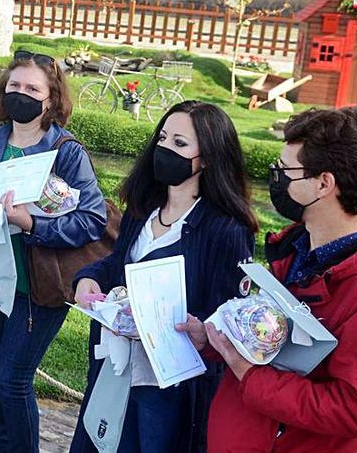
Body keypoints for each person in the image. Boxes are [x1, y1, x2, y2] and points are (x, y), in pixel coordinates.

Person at [201, 108, 357, 453]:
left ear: (323, 183)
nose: (276, 177)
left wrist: (253, 379)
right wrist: (214, 340)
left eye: (285, 170)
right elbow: (269, 339)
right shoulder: (294, 252)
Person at [70, 101, 258, 453]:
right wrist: (87, 279)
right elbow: (117, 265)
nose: (165, 149)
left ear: (209, 157)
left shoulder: (226, 230)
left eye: (180, 143)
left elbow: (230, 313)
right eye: (163, 138)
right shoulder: (143, 207)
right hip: (116, 365)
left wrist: (192, 326)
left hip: (167, 386)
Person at [0, 50, 109, 453]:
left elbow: (93, 218)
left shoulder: (66, 151)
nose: (20, 94)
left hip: (38, 286)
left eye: (31, 88)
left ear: (51, 98)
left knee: (13, 379)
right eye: (14, 86)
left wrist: (32, 224)